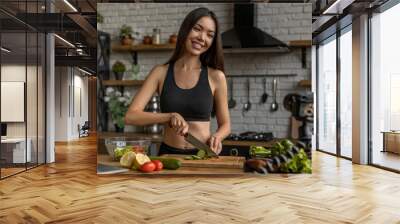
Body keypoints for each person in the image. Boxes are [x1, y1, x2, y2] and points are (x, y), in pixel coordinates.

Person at [124, 7, 230, 156]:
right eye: (197, 29)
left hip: (203, 155)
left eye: (209, 35)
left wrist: (217, 137)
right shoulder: (160, 72)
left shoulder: (216, 77)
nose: (202, 37)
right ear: (185, 30)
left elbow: (225, 125)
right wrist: (168, 116)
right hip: (168, 155)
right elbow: (131, 116)